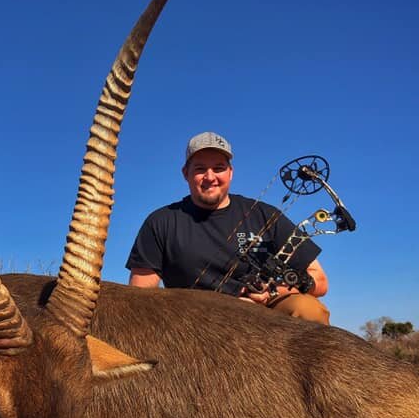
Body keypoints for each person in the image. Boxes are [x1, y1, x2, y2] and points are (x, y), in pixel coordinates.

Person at [126, 132, 330, 324]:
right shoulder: (161, 222)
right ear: (185, 173)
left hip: (264, 315)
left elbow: (319, 280)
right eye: (199, 169)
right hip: (194, 321)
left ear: (230, 172)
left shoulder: (265, 214)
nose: (210, 177)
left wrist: (272, 290)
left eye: (218, 168)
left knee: (308, 310)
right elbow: (140, 296)